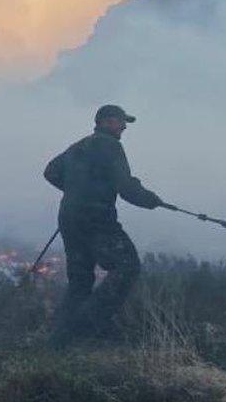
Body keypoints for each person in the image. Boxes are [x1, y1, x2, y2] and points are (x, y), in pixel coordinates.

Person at [43, 105, 163, 342]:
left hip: (69, 218)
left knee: (80, 282)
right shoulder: (111, 146)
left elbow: (50, 172)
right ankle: (87, 327)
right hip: (96, 218)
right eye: (121, 122)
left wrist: (78, 191)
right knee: (127, 267)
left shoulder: (79, 146)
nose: (125, 127)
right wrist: (151, 200)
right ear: (107, 122)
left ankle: (59, 342)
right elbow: (126, 187)